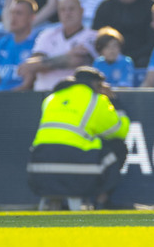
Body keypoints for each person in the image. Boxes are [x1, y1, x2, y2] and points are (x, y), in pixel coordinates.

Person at [27, 66, 130, 210]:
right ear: (95, 84)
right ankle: (101, 201)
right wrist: (114, 102)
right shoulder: (96, 99)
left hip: (38, 172)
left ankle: (56, 202)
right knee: (118, 147)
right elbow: (120, 131)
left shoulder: (52, 97)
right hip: (77, 176)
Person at [18, 0, 98, 91]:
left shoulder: (92, 36)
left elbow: (76, 60)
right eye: (63, 10)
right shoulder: (47, 34)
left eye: (71, 9)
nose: (67, 13)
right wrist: (67, 55)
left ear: (81, 11)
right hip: (43, 95)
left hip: (75, 94)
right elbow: (29, 66)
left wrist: (41, 64)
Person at [0, 0, 38, 91]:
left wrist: (5, 100)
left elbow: (27, 85)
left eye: (19, 13)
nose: (13, 17)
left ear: (31, 17)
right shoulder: (2, 43)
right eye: (11, 13)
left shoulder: (38, 43)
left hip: (24, 99)